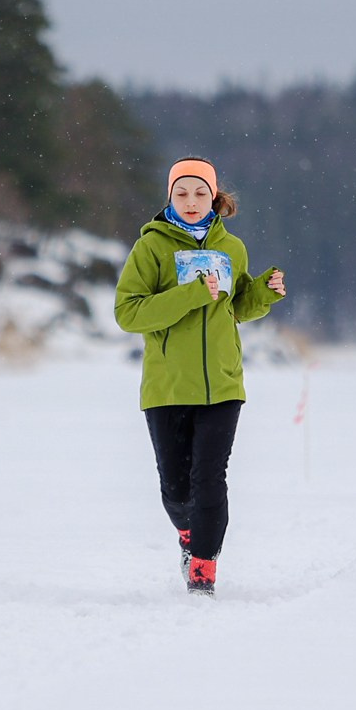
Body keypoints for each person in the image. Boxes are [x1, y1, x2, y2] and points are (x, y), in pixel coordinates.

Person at [114, 157, 287, 595]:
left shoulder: (233, 249)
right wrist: (190, 294)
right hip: (168, 387)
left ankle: (203, 568)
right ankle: (188, 536)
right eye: (181, 193)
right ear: (169, 197)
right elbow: (128, 312)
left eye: (199, 192)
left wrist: (263, 293)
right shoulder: (150, 249)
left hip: (223, 384)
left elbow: (236, 307)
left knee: (209, 478)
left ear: (214, 197)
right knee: (175, 486)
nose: (191, 201)